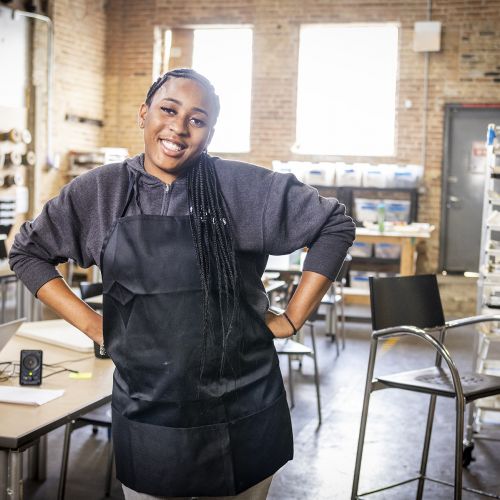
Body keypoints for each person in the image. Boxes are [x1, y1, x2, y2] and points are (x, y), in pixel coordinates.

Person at [9, 68, 355, 500]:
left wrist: (293, 318)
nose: (178, 127)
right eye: (168, 110)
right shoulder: (101, 191)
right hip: (149, 410)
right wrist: (96, 326)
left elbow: (335, 224)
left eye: (198, 119)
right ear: (144, 114)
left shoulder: (244, 187)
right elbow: (27, 252)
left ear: (210, 131)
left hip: (242, 406)